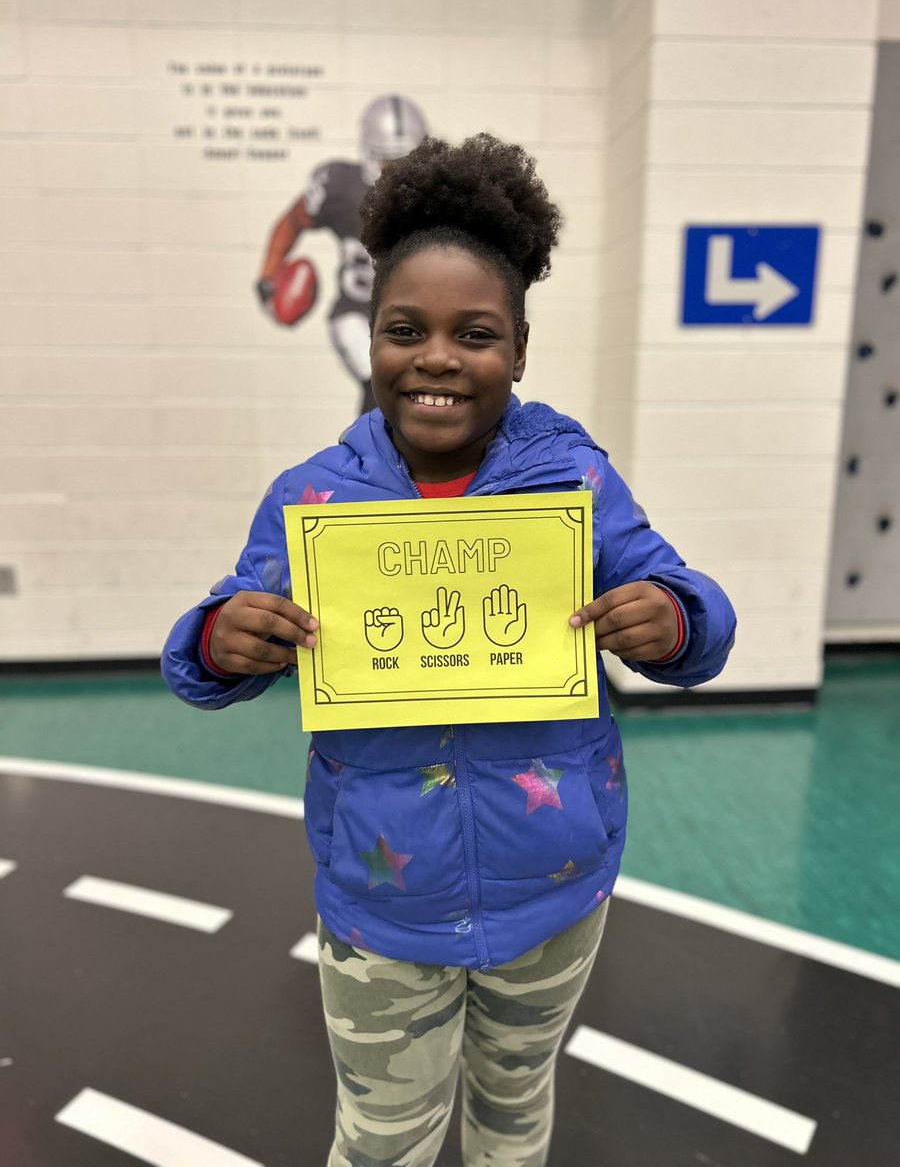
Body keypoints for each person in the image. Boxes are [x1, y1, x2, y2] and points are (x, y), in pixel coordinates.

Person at [163, 133, 736, 1167]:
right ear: (371, 340)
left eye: (475, 333)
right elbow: (206, 648)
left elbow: (692, 606)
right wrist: (220, 639)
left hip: (554, 890)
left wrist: (676, 619)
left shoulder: (575, 482)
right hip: (384, 903)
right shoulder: (315, 497)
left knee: (515, 1118)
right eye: (404, 329)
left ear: (520, 349)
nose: (436, 357)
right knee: (383, 1139)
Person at [255, 94, 428, 416]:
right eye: (386, 162)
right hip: (356, 313)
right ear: (368, 155)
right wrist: (268, 275)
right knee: (381, 382)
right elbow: (292, 221)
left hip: (415, 319)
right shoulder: (340, 186)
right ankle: (368, 459)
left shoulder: (439, 194)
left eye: (404, 161)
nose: (394, 172)